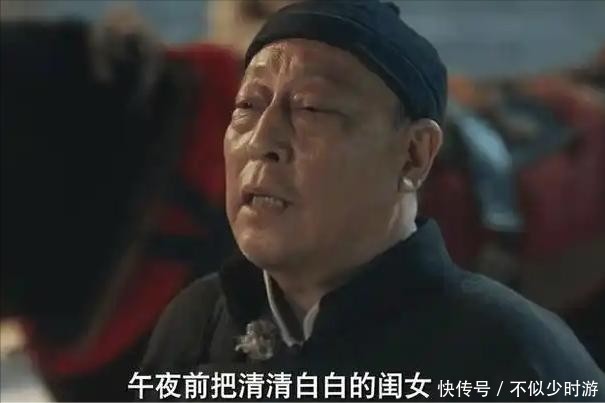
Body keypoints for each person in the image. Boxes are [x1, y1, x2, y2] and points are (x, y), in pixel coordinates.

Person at [140, 1, 605, 401]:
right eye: (247, 106)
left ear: (413, 155)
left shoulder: (514, 357)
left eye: (311, 108)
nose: (262, 140)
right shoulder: (197, 325)